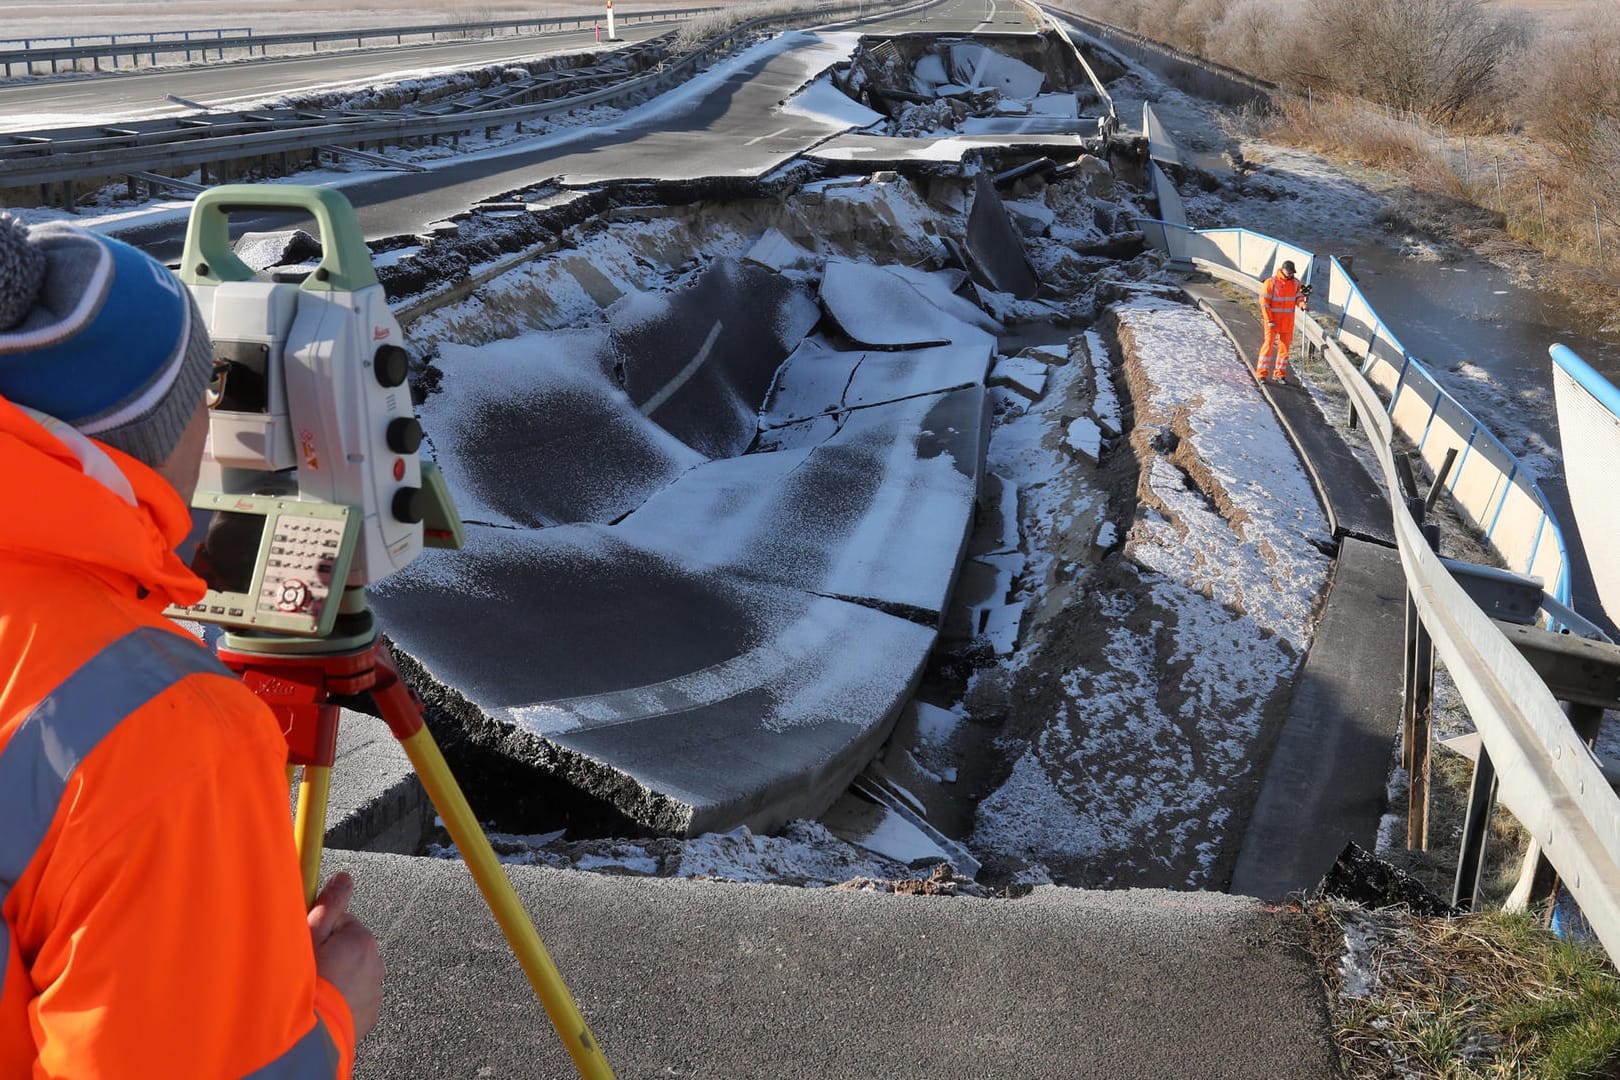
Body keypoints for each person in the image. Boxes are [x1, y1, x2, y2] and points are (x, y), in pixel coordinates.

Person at [0, 215, 383, 1077]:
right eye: (203, 395)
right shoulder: (167, 737)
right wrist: (327, 1012)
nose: (216, 422)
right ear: (149, 437)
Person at [1256, 259, 1307, 382]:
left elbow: (1299, 296)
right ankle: (1261, 374)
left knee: (1284, 350)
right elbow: (1264, 303)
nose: (1290, 274)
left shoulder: (1296, 283)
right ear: (1283, 270)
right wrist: (1269, 320)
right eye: (1289, 272)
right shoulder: (1270, 282)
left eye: (1292, 273)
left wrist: (1302, 305)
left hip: (1287, 322)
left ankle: (1279, 374)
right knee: (1268, 347)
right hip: (1272, 322)